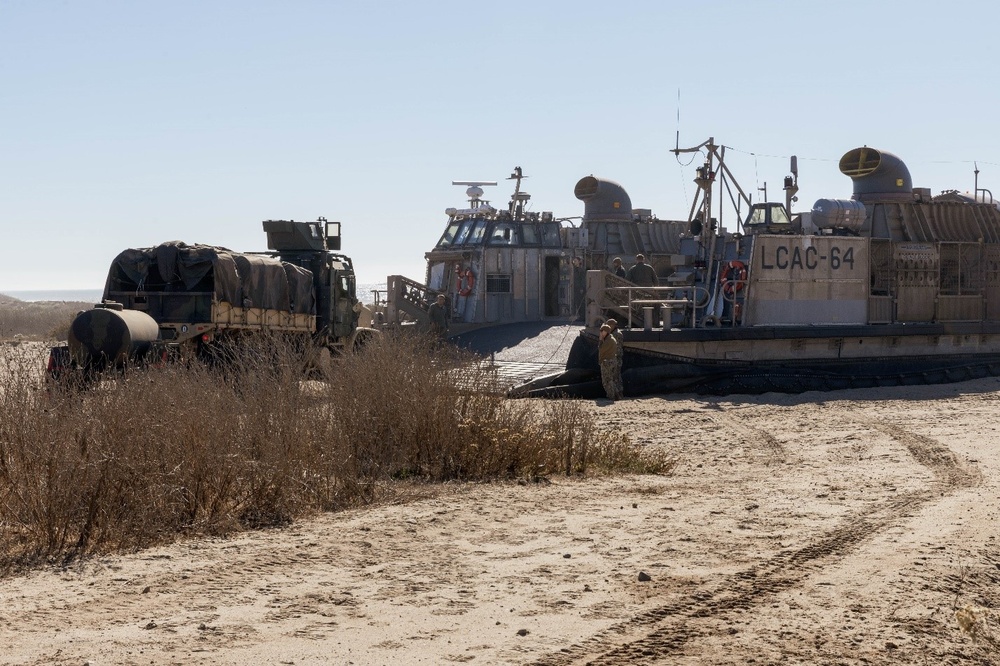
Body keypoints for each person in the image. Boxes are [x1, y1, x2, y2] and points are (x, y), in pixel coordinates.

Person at [598, 324, 623, 401]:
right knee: (611, 379)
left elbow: (601, 350)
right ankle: (616, 394)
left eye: (602, 331)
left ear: (606, 331)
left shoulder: (608, 341)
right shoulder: (612, 339)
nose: (601, 333)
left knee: (607, 380)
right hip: (612, 360)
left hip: (607, 362)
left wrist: (600, 340)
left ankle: (611, 396)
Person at [606, 318, 625, 398]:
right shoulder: (618, 333)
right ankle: (619, 393)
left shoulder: (615, 335)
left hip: (613, 357)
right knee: (617, 377)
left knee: (611, 377)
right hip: (617, 357)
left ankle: (614, 394)